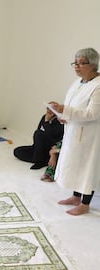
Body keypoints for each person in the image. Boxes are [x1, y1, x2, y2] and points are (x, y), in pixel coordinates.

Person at [49, 47, 100, 216]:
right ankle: (76, 197)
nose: (76, 67)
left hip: (90, 135)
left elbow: (93, 114)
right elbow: (72, 107)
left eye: (81, 63)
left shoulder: (98, 86)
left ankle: (85, 204)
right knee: (76, 165)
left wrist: (66, 110)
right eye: (75, 63)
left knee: (87, 167)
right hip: (73, 131)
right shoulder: (78, 83)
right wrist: (62, 114)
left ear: (93, 64)